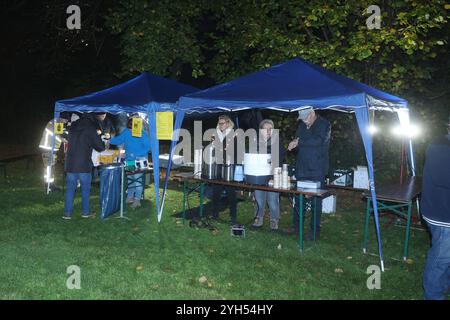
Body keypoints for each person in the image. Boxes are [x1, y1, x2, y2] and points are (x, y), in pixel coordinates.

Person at [284, 107, 331, 240]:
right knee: (298, 198)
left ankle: (314, 231)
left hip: (317, 168)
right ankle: (296, 226)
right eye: (302, 119)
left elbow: (318, 141)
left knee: (316, 200)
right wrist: (294, 144)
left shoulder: (324, 124)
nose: (304, 121)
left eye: (305, 118)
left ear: (312, 113)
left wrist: (299, 142)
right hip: (302, 167)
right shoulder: (302, 126)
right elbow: (299, 140)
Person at [421, 116, 450, 300]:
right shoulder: (440, 147)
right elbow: (444, 179)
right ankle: (433, 295)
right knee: (440, 261)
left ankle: (444, 285)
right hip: (443, 217)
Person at [63, 113, 105, 219]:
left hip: (71, 164)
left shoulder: (72, 127)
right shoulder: (90, 129)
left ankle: (67, 214)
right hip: (84, 164)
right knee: (85, 190)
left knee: (70, 190)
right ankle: (85, 213)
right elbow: (100, 147)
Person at [109, 115, 151, 209]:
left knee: (137, 181)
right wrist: (109, 139)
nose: (132, 130)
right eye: (130, 127)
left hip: (139, 160)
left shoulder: (142, 133)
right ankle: (130, 197)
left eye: (133, 127)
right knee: (131, 179)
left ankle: (137, 200)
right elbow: (118, 140)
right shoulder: (127, 132)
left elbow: (147, 147)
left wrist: (136, 155)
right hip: (129, 161)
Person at [251, 119, 286, 230]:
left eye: (271, 129)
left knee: (272, 199)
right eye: (266, 129)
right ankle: (258, 218)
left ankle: (274, 220)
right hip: (259, 176)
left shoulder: (278, 143)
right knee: (259, 198)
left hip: (273, 176)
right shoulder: (256, 142)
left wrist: (273, 177)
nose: (268, 131)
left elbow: (279, 161)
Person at [209, 115, 240, 225]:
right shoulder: (215, 133)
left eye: (222, 123)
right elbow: (213, 149)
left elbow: (235, 151)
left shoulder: (234, 134)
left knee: (231, 192)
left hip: (229, 166)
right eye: (219, 123)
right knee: (216, 191)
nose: (220, 125)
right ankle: (215, 214)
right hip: (217, 164)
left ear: (228, 123)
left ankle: (233, 216)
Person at [39, 113, 71, 192]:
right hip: (48, 148)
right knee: (49, 168)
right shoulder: (57, 123)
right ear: (62, 118)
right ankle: (49, 186)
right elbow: (59, 135)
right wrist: (65, 139)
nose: (66, 122)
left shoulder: (56, 122)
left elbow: (62, 133)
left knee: (50, 167)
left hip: (51, 148)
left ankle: (50, 185)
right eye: (66, 120)